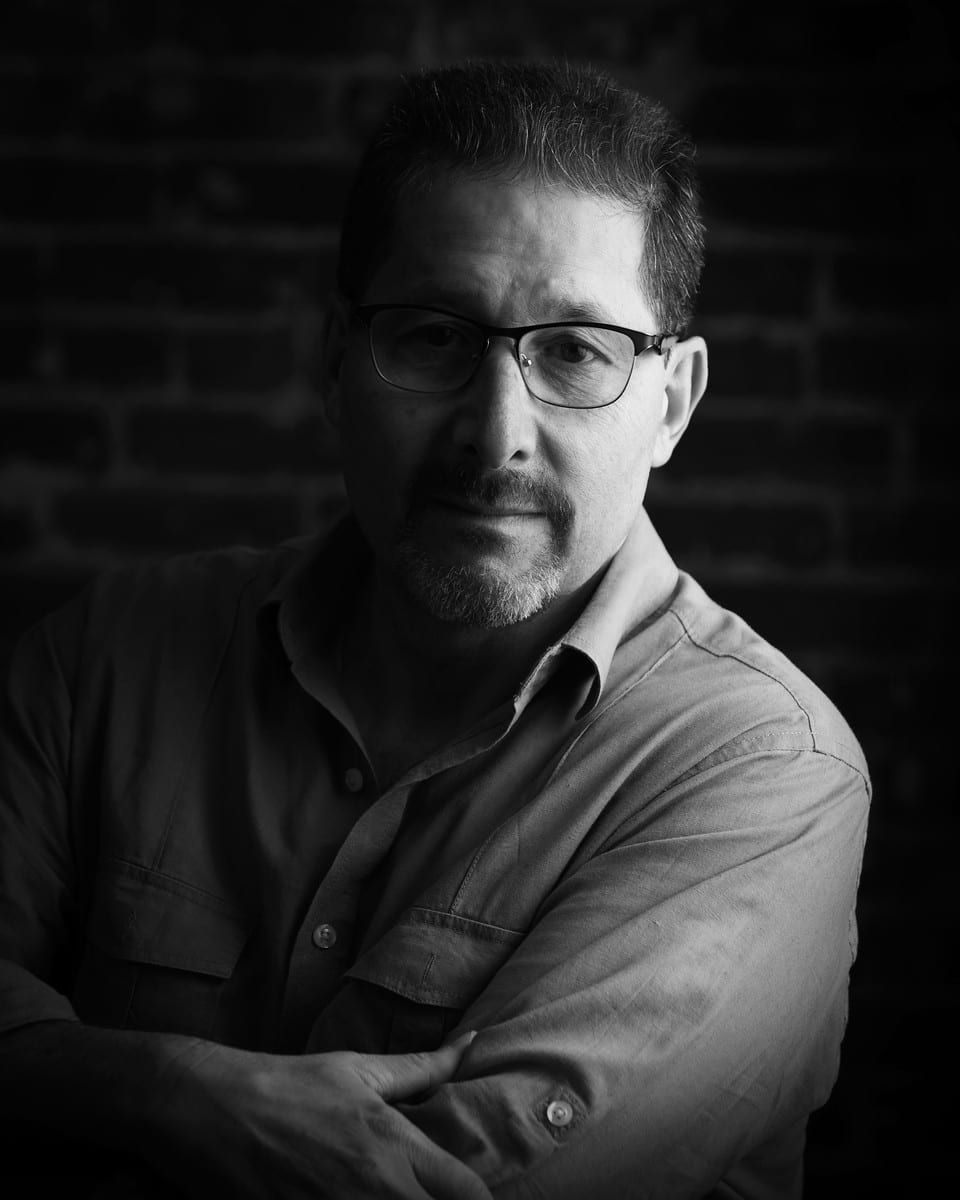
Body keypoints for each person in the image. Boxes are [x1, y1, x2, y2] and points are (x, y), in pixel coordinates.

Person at [0, 59, 870, 1200]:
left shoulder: (761, 768)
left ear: (672, 402)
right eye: (433, 337)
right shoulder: (109, 656)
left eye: (576, 351)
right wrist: (162, 1091)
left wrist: (52, 1080)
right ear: (335, 363)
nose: (494, 433)